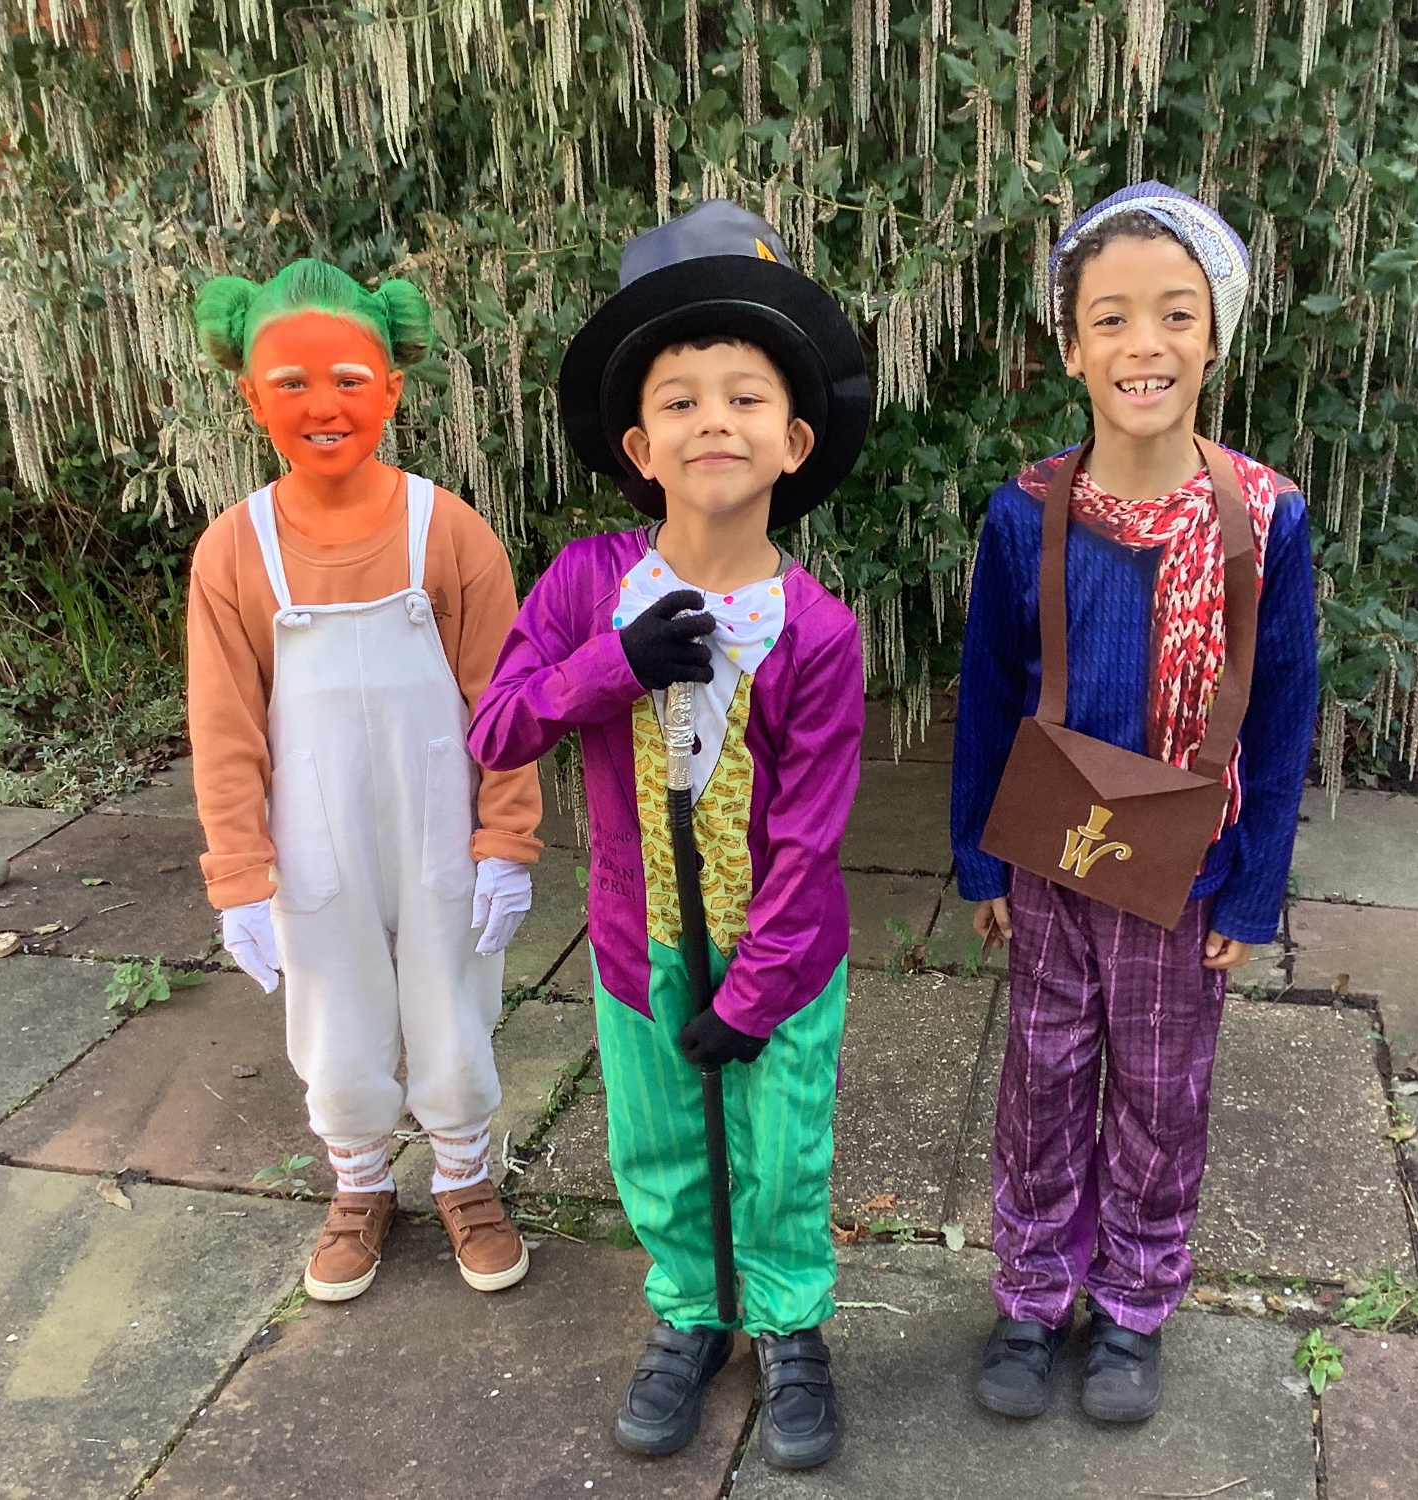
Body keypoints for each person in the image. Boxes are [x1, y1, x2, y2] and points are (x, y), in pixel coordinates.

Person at [469, 200, 869, 1470]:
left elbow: (807, 836)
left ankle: (791, 1325)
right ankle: (690, 1316)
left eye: (742, 397)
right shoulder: (588, 587)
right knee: (655, 1141)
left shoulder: (818, 629)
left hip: (783, 964)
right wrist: (610, 667)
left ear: (791, 440)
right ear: (640, 444)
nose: (714, 422)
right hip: (636, 943)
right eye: (681, 401)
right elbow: (495, 730)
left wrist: (755, 995)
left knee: (779, 1147)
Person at [950, 183, 1319, 1422]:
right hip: (1054, 851)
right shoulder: (1024, 510)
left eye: (1173, 315)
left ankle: (1132, 1301)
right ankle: (1030, 1290)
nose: (1142, 344)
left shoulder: (1265, 521)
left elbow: (1280, 711)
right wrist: (981, 861)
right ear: (1071, 347)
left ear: (1213, 337)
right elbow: (989, 692)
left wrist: (1254, 882)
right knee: (1042, 1074)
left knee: (1162, 1088)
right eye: (1110, 319)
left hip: (1186, 861)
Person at [187, 259, 541, 1304]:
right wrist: (238, 873)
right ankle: (358, 1183)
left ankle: (467, 1180)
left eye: (347, 377)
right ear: (251, 398)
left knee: (450, 1002)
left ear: (391, 387)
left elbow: (505, 700)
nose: (322, 405)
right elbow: (222, 726)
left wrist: (506, 838)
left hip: (438, 823)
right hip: (312, 833)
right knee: (334, 1013)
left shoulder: (450, 532)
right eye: (288, 384)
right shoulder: (234, 553)